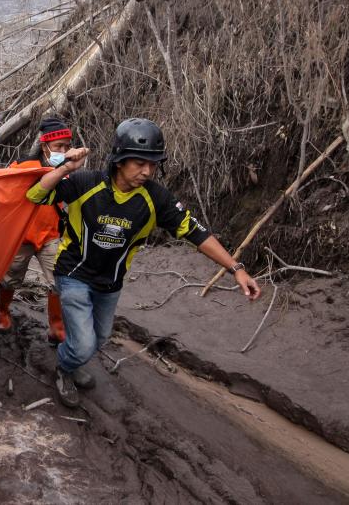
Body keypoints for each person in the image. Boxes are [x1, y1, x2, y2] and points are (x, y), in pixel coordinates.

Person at [27, 118, 262, 408]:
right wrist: (64, 168)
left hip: (110, 283)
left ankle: (73, 356)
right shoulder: (84, 183)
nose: (147, 171)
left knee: (99, 339)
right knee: (84, 344)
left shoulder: (156, 198)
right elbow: (35, 194)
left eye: (153, 164)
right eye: (139, 163)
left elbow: (195, 232)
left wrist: (236, 268)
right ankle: (65, 366)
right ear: (119, 159)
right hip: (73, 274)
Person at [0, 116, 72, 344]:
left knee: (57, 281)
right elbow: (0, 191)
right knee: (10, 279)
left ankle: (56, 326)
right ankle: (3, 311)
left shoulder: (67, 170)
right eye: (59, 146)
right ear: (44, 146)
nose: (63, 150)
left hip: (50, 235)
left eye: (67, 146)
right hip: (22, 235)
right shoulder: (22, 168)